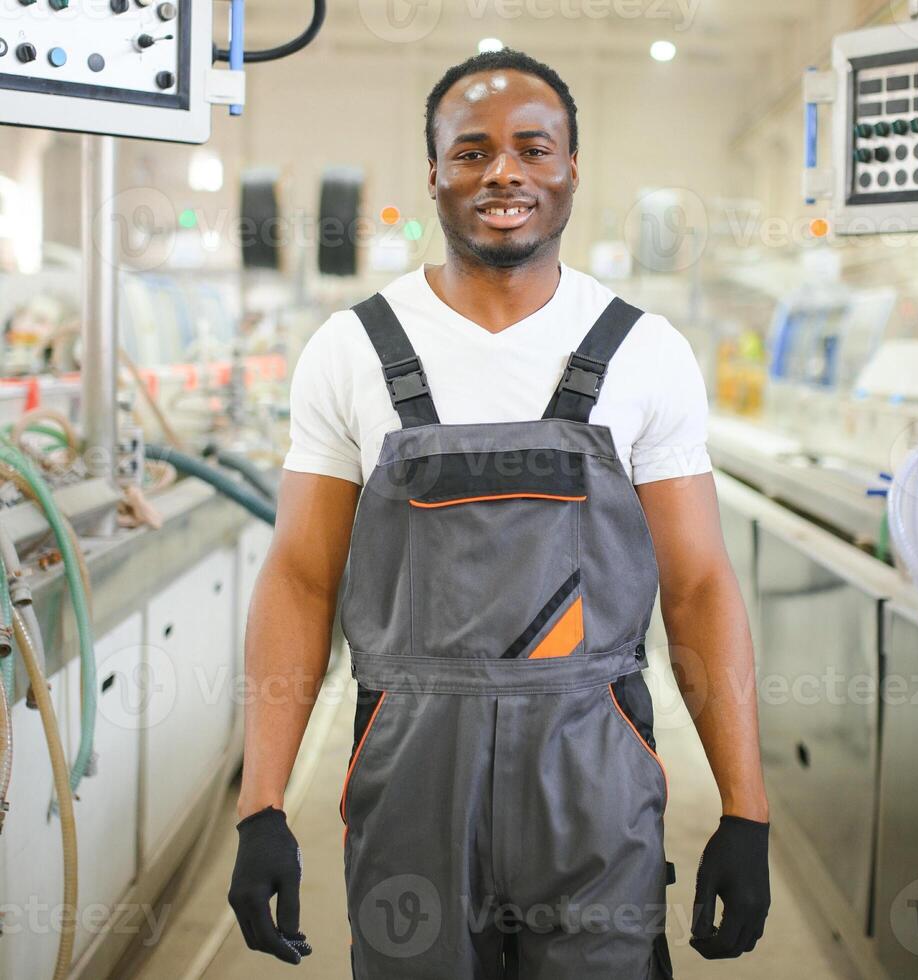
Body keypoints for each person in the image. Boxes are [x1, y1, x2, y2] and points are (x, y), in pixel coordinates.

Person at [227, 48, 771, 978]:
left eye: (533, 148)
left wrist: (745, 810)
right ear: (433, 172)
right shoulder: (352, 349)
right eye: (471, 151)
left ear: (569, 169)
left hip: (592, 771)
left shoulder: (643, 352)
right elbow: (301, 577)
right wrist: (261, 801)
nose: (504, 172)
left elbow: (698, 583)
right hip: (410, 775)